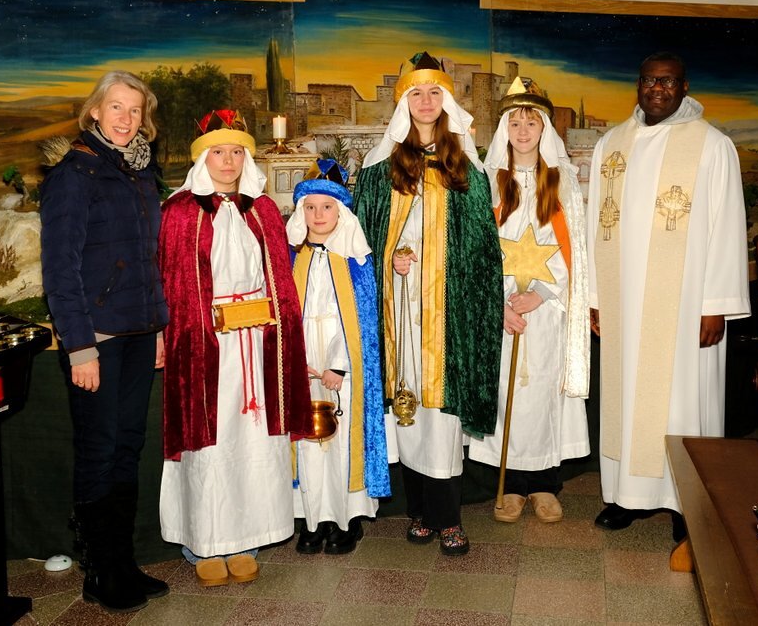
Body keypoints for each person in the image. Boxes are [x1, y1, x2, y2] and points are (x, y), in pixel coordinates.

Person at [587, 52, 750, 539]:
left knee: (682, 401)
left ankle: (687, 501)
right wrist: (596, 296)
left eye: (668, 81)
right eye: (649, 80)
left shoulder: (712, 146)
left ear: (684, 86)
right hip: (623, 301)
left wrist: (716, 305)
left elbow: (727, 228)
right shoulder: (611, 145)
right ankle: (627, 496)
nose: (657, 88)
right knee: (625, 398)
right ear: (638, 85)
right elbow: (596, 224)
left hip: (685, 304)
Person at [353, 51, 503, 556]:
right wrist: (390, 257)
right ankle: (418, 511)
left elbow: (482, 251)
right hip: (399, 313)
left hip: (447, 315)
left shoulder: (466, 169)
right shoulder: (380, 170)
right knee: (407, 411)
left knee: (441, 419)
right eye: (415, 93)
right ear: (403, 103)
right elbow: (362, 245)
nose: (424, 101)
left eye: (434, 92)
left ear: (446, 101)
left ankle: (448, 518)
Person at [158, 109, 313, 586]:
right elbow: (173, 285)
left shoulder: (262, 210)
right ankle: (204, 542)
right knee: (210, 442)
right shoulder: (180, 212)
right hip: (206, 345)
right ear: (202, 159)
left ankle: (248, 539)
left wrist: (276, 326)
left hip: (257, 342)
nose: (228, 161)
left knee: (253, 442)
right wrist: (187, 330)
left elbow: (280, 281)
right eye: (218, 152)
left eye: (237, 152)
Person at [40, 70, 169, 614]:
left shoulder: (140, 171)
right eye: (116, 107)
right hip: (96, 338)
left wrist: (158, 328)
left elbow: (150, 258)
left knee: (127, 445)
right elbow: (59, 270)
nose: (126, 118)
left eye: (135, 110)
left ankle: (122, 562)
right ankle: (98, 570)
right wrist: (79, 347)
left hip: (139, 333)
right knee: (99, 450)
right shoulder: (74, 174)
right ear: (95, 111)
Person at [468, 78, 590, 523]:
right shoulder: (488, 183)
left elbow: (573, 248)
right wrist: (499, 303)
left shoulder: (560, 181)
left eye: (531, 123)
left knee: (542, 393)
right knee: (508, 393)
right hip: (501, 310)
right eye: (515, 123)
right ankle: (513, 485)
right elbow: (478, 249)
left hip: (546, 308)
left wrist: (539, 295)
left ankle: (544, 484)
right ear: (504, 128)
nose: (523, 131)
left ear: (544, 129)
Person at [287, 158, 390, 555]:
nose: (318, 215)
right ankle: (314, 519)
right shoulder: (293, 258)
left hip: (339, 371)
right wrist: (294, 360)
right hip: (303, 367)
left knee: (341, 440)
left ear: (341, 211)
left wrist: (338, 365)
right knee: (309, 442)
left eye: (327, 207)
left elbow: (362, 324)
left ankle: (346, 519)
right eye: (310, 207)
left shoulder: (355, 261)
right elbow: (285, 314)